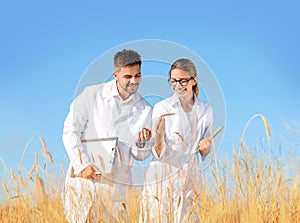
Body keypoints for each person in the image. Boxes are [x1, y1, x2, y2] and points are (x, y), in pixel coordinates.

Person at [62, 49, 153, 223]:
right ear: (115, 75)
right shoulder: (92, 95)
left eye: (138, 76)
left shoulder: (145, 109)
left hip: (116, 190)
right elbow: (70, 130)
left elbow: (140, 156)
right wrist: (82, 165)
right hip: (84, 182)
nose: (133, 81)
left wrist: (141, 144)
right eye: (128, 76)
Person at [140, 58, 213, 223]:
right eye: (173, 81)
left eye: (183, 81)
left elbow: (206, 149)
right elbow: (158, 152)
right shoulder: (162, 107)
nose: (178, 86)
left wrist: (205, 147)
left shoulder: (206, 110)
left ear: (194, 81)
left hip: (190, 176)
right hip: (162, 178)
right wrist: (157, 136)